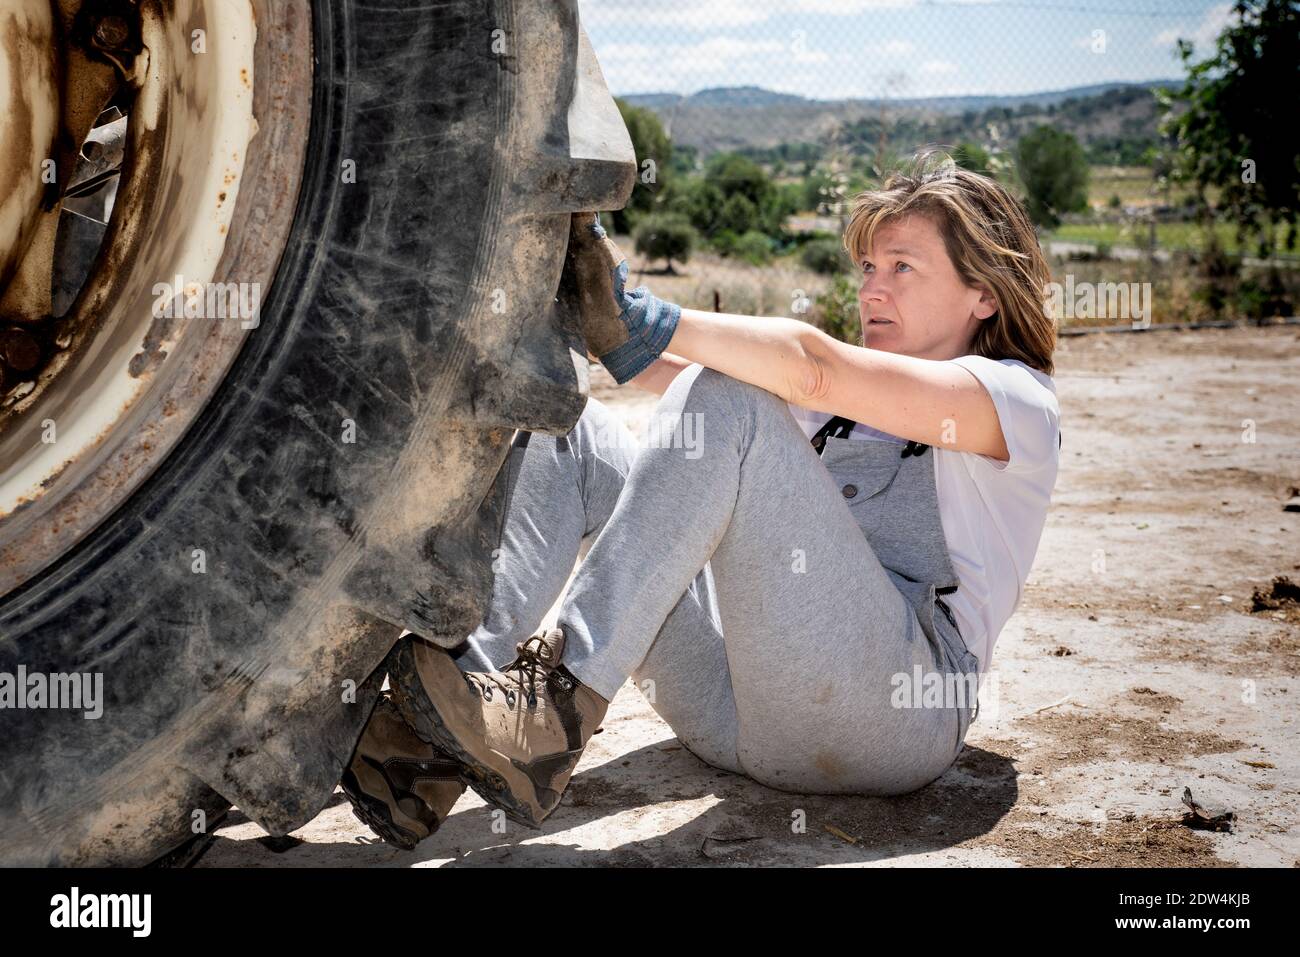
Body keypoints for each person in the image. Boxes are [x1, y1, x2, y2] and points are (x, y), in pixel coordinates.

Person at [341, 154, 1061, 846]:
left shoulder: (1016, 402)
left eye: (904, 267)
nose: (872, 288)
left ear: (986, 292)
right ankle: (427, 747)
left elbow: (807, 370)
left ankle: (557, 708)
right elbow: (684, 374)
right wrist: (602, 313)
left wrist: (646, 316)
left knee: (725, 394)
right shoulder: (850, 400)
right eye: (870, 266)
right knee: (577, 431)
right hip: (738, 706)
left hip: (888, 719)